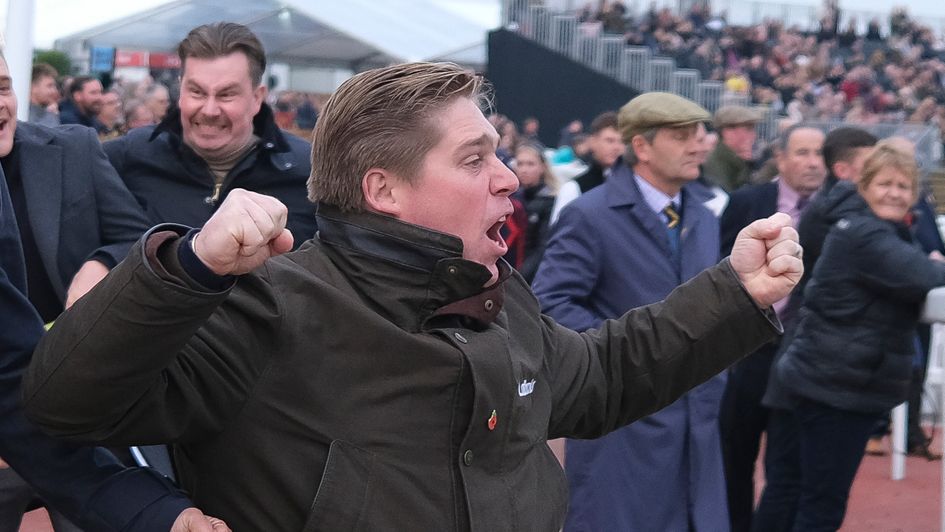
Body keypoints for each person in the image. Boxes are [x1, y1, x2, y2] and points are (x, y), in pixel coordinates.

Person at [24, 62, 801, 531]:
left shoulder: (500, 292)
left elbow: (596, 379)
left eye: (498, 154)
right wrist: (184, 269)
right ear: (383, 190)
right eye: (474, 159)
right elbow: (64, 403)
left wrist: (734, 294)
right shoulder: (263, 306)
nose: (506, 177)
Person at [0, 136, 227, 532]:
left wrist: (153, 510)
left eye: (4, 86)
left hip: (60, 424)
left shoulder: (76, 149)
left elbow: (7, 375)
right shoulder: (136, 149)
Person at [532, 92, 728, 531]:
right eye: (682, 136)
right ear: (641, 147)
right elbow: (551, 304)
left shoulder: (704, 215)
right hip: (624, 418)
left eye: (700, 133)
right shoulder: (590, 215)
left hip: (696, 419)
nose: (699, 144)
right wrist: (633, 350)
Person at [754, 140, 945, 532]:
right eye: (885, 184)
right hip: (836, 385)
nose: (894, 193)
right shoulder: (867, 234)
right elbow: (926, 276)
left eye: (903, 187)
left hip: (815, 374)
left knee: (791, 489)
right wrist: (928, 263)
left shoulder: (861, 226)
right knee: (820, 502)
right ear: (865, 186)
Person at [103, 22, 316, 244]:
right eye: (197, 92)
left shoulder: (308, 174)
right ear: (180, 89)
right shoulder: (131, 154)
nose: (209, 110)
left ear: (257, 98)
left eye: (226, 95)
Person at [718, 124, 826, 532]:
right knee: (734, 458)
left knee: (789, 466)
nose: (813, 162)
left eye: (818, 153)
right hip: (747, 351)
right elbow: (719, 265)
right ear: (780, 158)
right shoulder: (747, 201)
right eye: (802, 152)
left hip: (802, 355)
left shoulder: (837, 210)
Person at [549, 111, 624, 223]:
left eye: (622, 141)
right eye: (610, 140)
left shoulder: (633, 186)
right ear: (592, 141)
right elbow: (558, 232)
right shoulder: (574, 188)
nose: (616, 147)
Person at [510, 142, 558, 283]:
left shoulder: (550, 200)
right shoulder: (511, 198)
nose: (524, 169)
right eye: (520, 164)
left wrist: (518, 277)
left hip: (533, 276)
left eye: (530, 164)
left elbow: (543, 246)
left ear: (542, 167)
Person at [704, 105, 763, 193]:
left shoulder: (733, 159)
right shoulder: (714, 163)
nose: (754, 135)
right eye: (748, 129)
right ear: (728, 132)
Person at [28, 64, 60, 128]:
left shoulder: (50, 114)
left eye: (54, 86)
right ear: (33, 87)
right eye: (50, 86)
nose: (55, 91)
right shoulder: (21, 115)